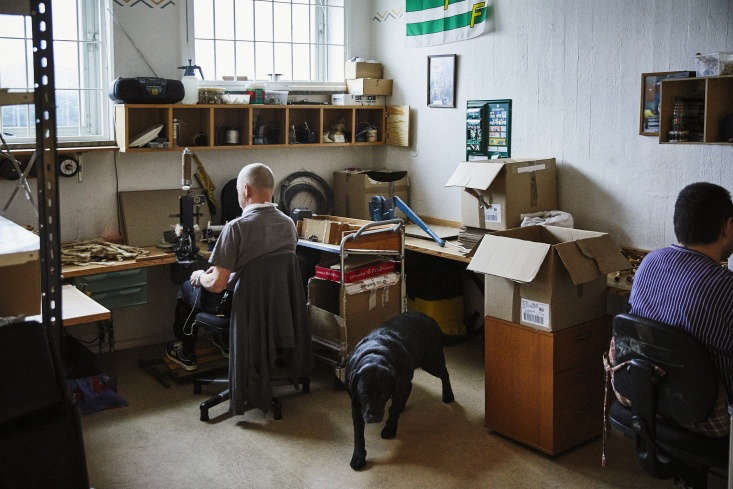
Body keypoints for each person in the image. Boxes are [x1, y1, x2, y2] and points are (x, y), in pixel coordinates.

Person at [609, 182, 733, 437]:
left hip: (642, 394)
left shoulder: (650, 262)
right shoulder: (724, 286)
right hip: (707, 415)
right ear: (727, 227)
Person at [165, 163, 297, 371]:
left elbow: (217, 285)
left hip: (238, 306)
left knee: (185, 287)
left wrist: (199, 276)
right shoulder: (288, 223)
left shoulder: (236, 227)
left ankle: (187, 353)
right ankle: (227, 342)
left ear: (245, 190)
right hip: (273, 304)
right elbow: (261, 265)